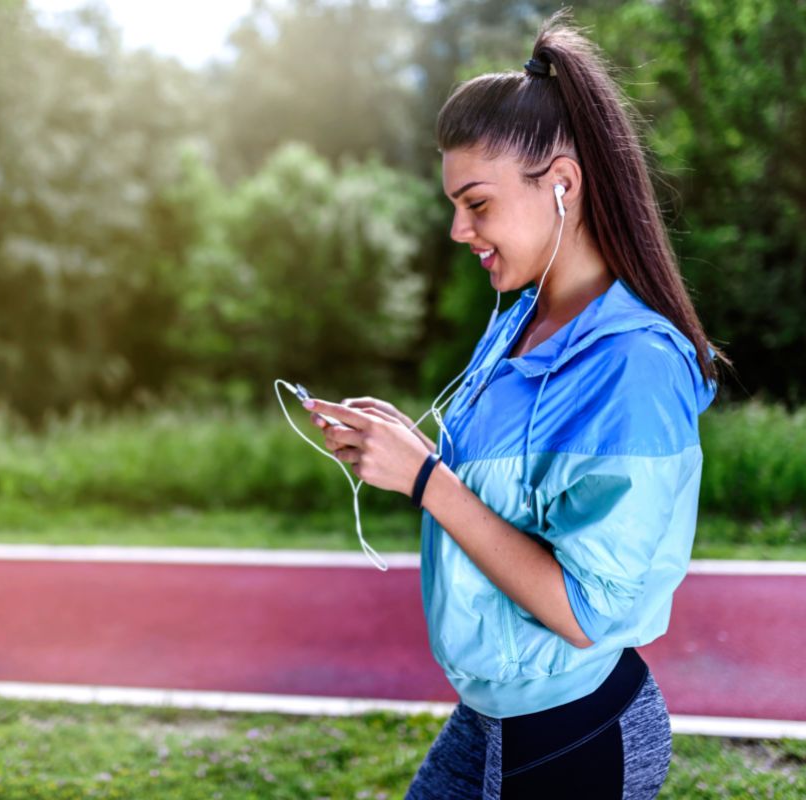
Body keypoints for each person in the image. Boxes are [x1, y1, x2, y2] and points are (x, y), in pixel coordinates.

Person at [302, 9, 733, 799]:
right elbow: (496, 493)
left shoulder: (635, 365)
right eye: (455, 207)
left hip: (575, 737)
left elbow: (584, 612)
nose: (460, 231)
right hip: (489, 720)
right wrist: (406, 447)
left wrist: (427, 478)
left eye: (478, 203)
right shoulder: (517, 324)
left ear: (562, 183)